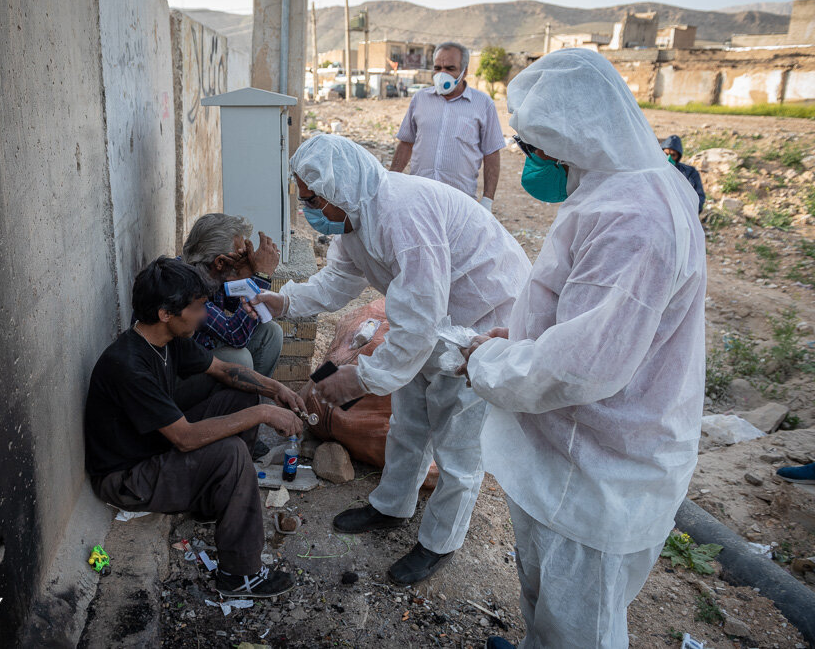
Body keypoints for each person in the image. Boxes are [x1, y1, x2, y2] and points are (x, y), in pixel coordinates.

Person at [457, 49, 706, 649]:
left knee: (581, 629)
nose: (531, 161)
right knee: (545, 601)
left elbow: (580, 365)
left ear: (574, 137)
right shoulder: (618, 189)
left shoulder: (633, 220)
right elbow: (581, 317)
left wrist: (486, 362)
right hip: (572, 455)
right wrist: (517, 339)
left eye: (534, 148)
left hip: (601, 472)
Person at [250, 134, 531, 584]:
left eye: (312, 199)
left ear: (339, 189)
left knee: (458, 443)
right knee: (409, 419)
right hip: (437, 318)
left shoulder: (404, 216)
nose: (308, 209)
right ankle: (392, 506)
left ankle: (440, 542)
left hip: (481, 322)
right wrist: (283, 302)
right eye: (303, 199)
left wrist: (358, 379)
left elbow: (418, 323)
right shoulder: (354, 217)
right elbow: (338, 281)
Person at [84, 257, 305, 598]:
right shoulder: (128, 366)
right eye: (198, 307)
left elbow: (224, 370)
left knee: (240, 396)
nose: (204, 315)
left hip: (152, 447)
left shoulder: (166, 340)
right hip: (126, 479)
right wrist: (264, 414)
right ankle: (240, 574)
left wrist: (276, 390)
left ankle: (215, 497)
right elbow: (185, 439)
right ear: (165, 313)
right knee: (231, 451)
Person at [176, 213, 284, 414]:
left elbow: (244, 310)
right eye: (239, 255)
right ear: (219, 262)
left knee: (270, 333)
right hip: (178, 380)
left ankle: (253, 411)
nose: (243, 259)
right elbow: (236, 335)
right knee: (239, 359)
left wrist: (248, 277)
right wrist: (262, 276)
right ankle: (233, 417)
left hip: (203, 354)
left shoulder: (213, 273)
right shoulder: (186, 285)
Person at [390, 41, 505, 211]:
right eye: (437, 68)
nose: (442, 74)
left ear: (464, 71)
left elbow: (492, 154)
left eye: (450, 69)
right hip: (420, 197)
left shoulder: (483, 104)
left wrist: (487, 200)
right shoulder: (420, 99)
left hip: (460, 202)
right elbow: (406, 143)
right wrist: (391, 181)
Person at [662, 135, 706, 213]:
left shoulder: (689, 172)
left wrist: (688, 212)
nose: (668, 158)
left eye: (673, 155)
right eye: (665, 154)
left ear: (678, 156)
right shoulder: (654, 172)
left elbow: (699, 197)